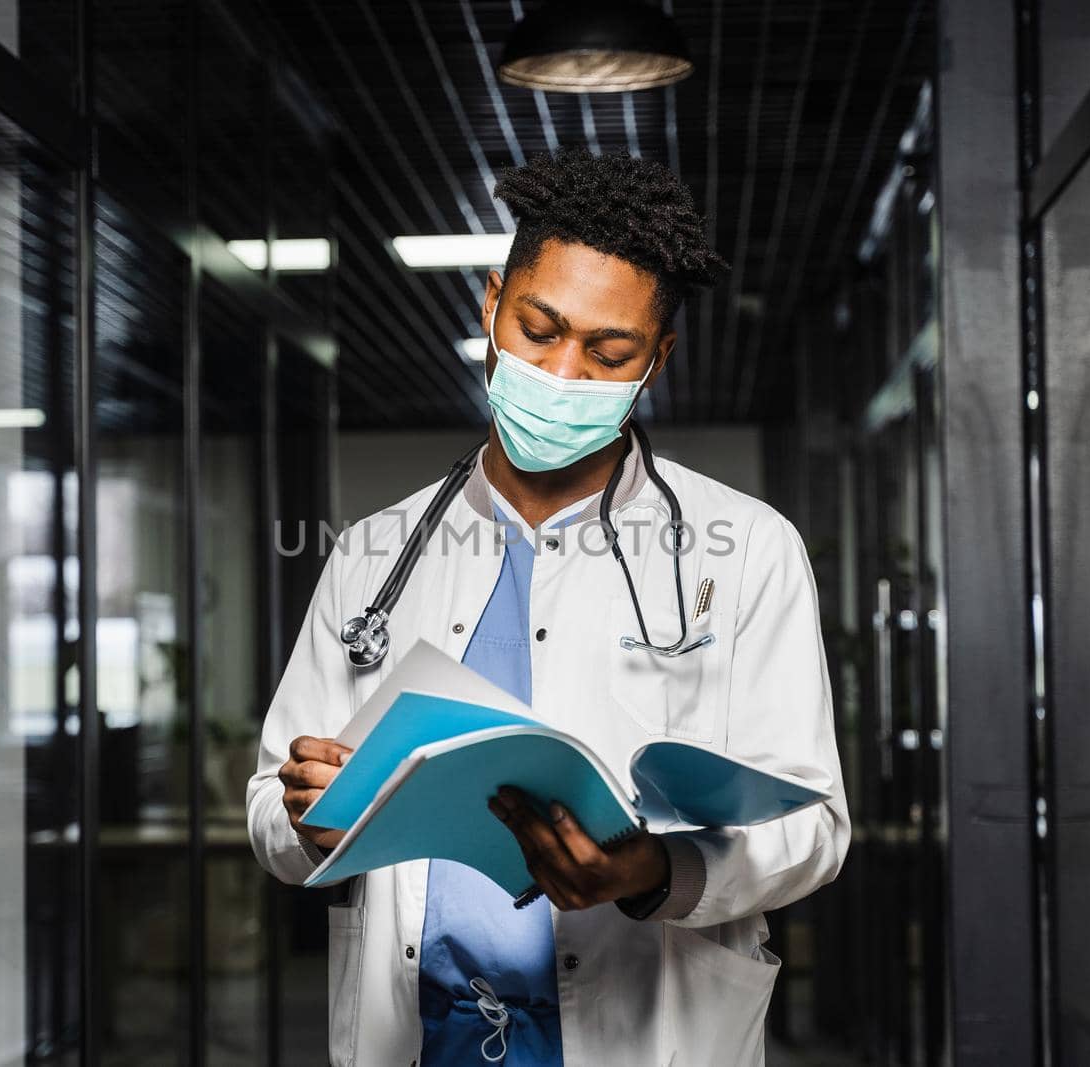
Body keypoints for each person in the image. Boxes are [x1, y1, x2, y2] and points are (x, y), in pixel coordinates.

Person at [245, 147, 850, 1067]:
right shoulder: (375, 552)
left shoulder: (751, 547)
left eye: (610, 353)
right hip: (420, 1039)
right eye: (538, 329)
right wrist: (309, 818)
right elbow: (270, 808)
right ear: (492, 303)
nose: (564, 373)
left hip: (645, 1033)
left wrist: (656, 872)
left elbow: (812, 829)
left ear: (657, 359)